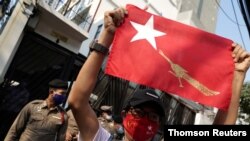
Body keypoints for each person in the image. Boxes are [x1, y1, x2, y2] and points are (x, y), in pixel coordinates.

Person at [67, 7, 250, 141]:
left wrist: (237, 77)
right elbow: (77, 101)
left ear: (158, 125)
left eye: (153, 116)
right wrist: (106, 36)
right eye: (139, 112)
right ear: (124, 114)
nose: (145, 120)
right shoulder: (101, 138)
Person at [4, 79, 69, 141]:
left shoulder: (63, 115)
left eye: (65, 94)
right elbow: (14, 130)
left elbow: (60, 139)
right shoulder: (33, 106)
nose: (64, 96)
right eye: (62, 93)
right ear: (51, 92)